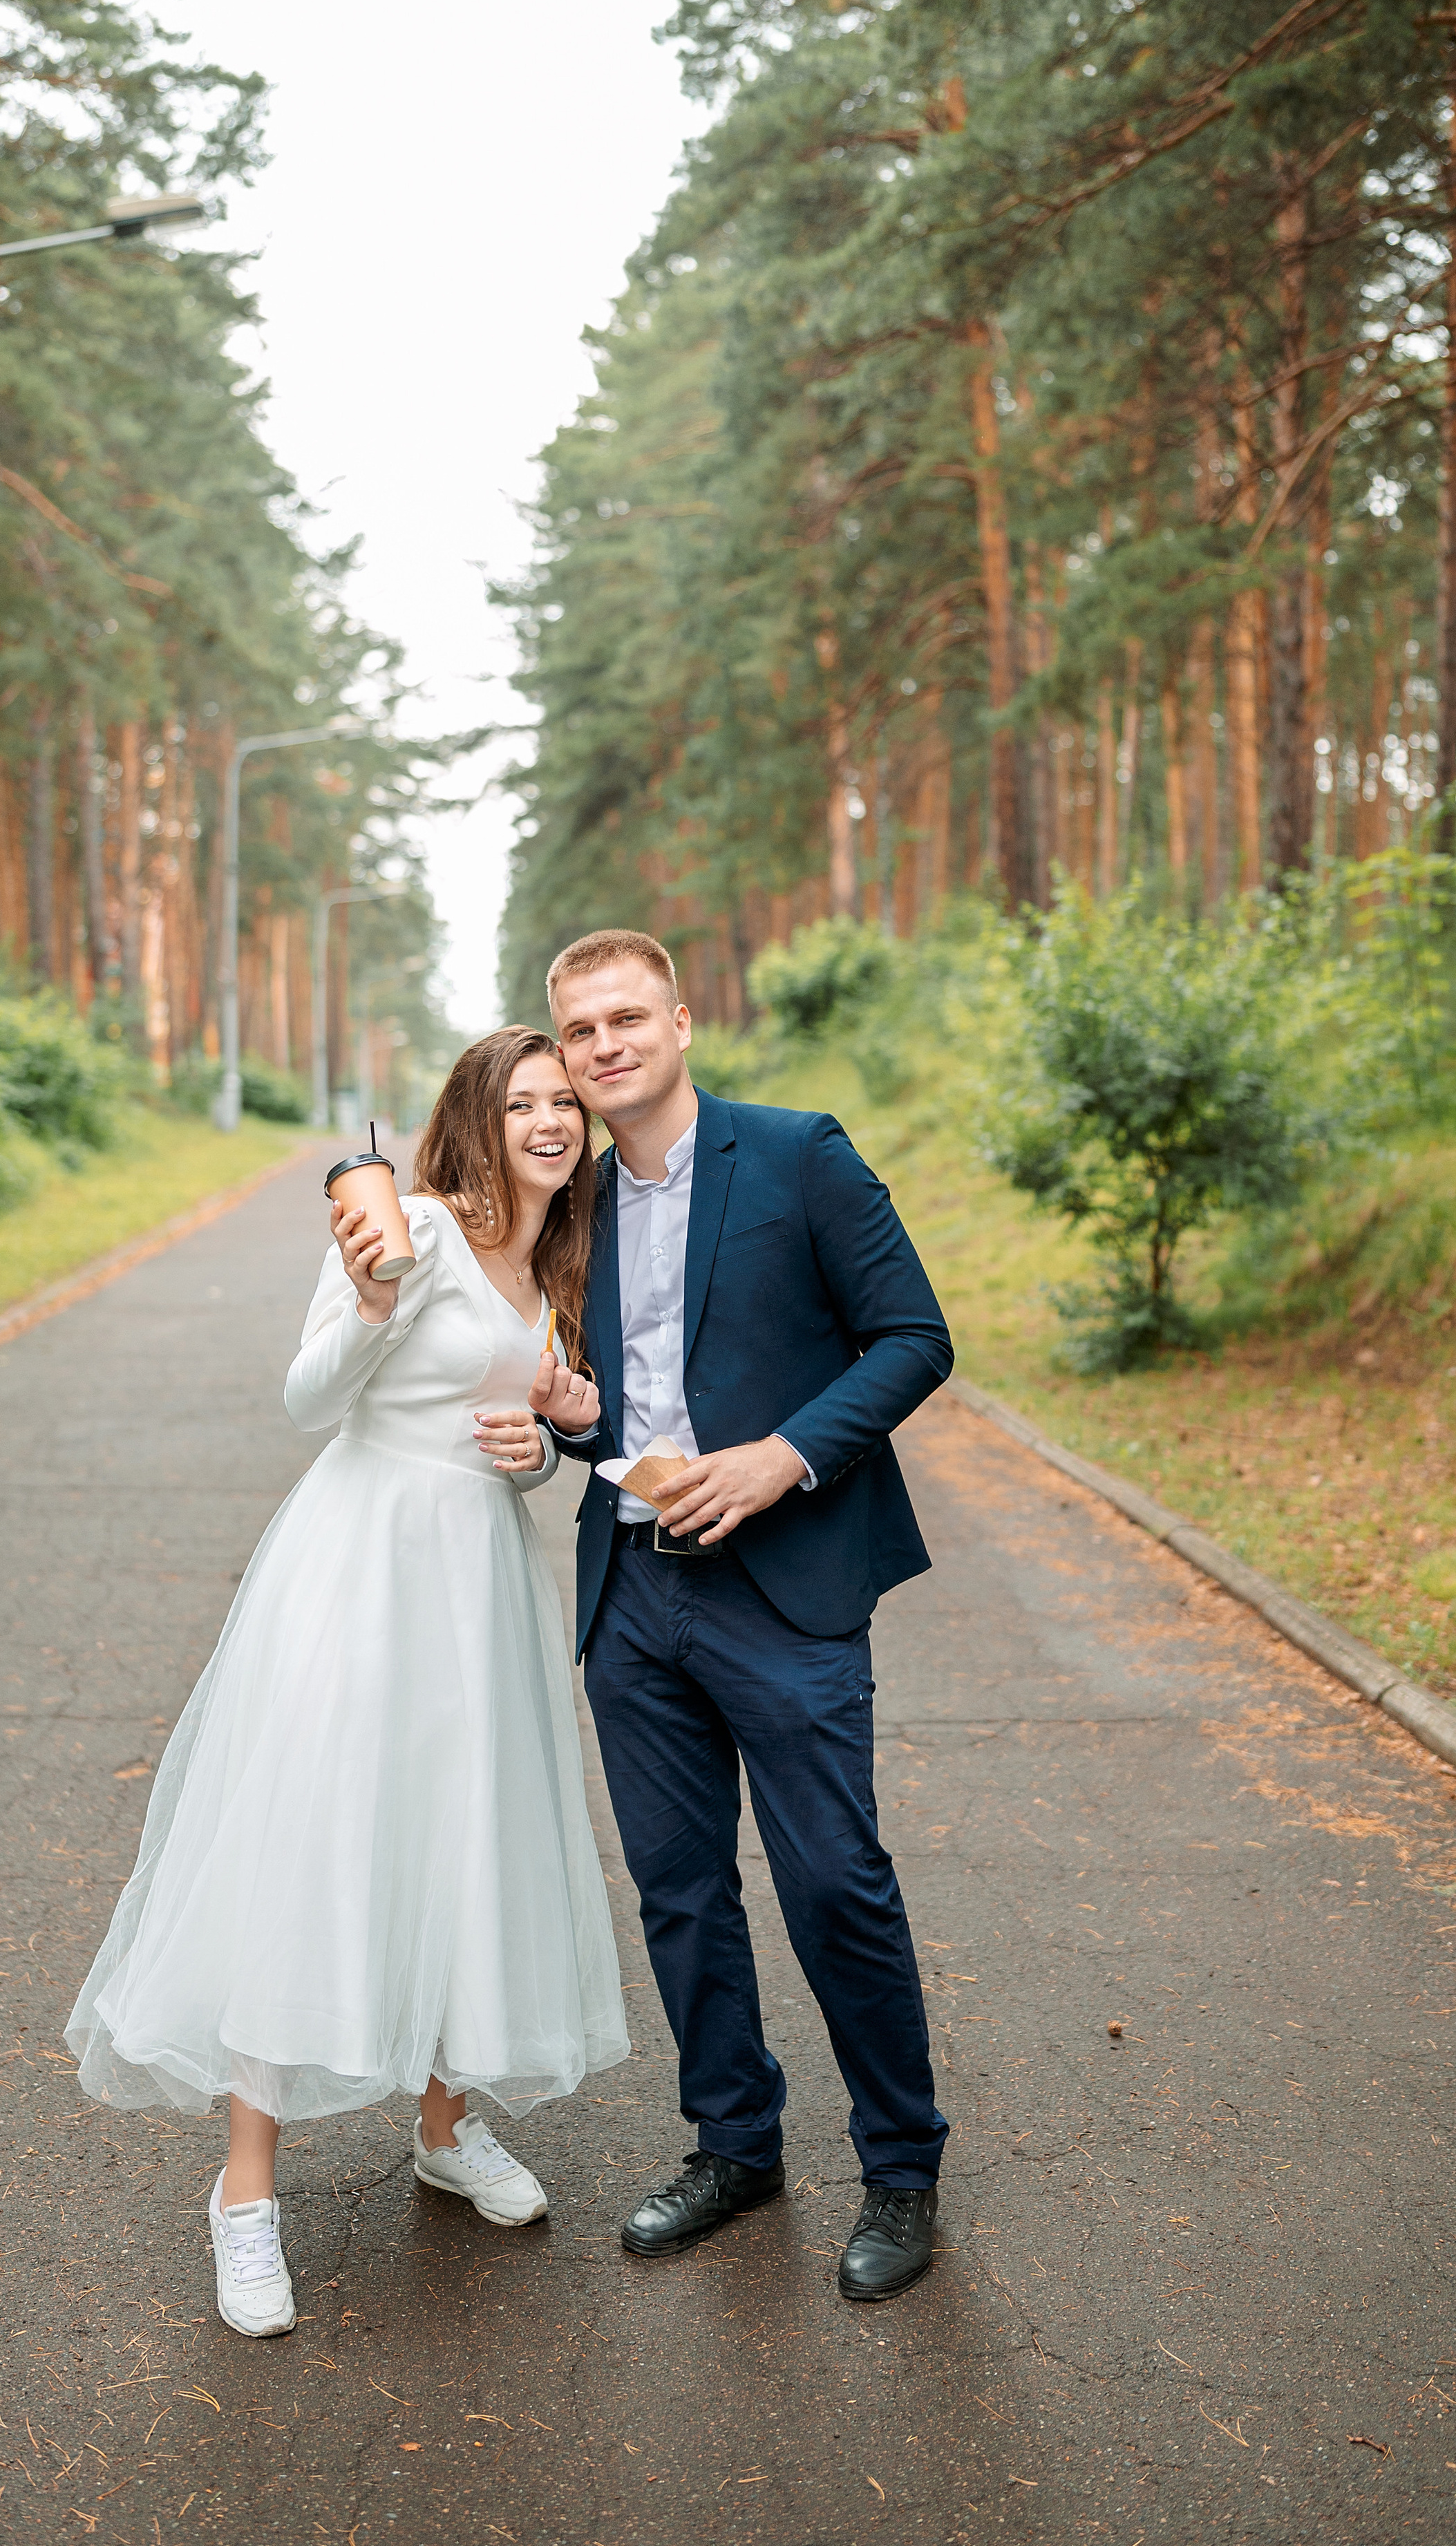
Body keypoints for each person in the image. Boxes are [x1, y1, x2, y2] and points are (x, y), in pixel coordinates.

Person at [67, 1029, 626, 2339]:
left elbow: (532, 1436)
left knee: (463, 1843)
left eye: (565, 1103)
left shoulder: (562, 1263)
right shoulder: (408, 1228)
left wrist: (543, 1447)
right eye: (522, 1103)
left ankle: (444, 2128)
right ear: (476, 1118)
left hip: (479, 1580)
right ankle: (244, 2195)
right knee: (315, 1850)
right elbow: (307, 1401)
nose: (550, 1122)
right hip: (361, 1569)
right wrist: (374, 1304)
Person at [535, 927, 953, 2303]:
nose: (604, 1045)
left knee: (833, 1880)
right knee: (679, 1892)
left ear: (680, 1021)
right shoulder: (570, 1203)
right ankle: (734, 2143)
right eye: (581, 1029)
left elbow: (914, 1338)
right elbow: (583, 1390)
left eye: (626, 1017)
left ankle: (901, 2165)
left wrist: (785, 1455)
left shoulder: (796, 1154)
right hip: (632, 1589)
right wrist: (564, 1423)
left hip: (785, 1585)